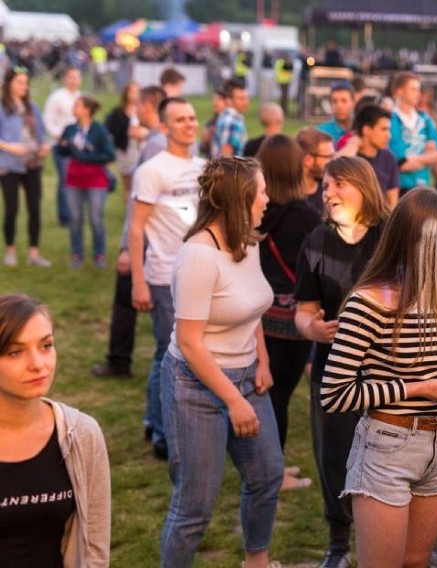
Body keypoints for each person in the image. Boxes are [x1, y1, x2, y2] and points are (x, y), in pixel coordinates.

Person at [322, 187, 437, 568]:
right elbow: (335, 394)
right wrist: (417, 388)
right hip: (387, 446)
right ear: (416, 241)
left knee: (417, 561)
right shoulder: (368, 303)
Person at [159, 157, 283, 568]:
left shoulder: (246, 242)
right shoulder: (198, 256)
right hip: (196, 384)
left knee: (267, 476)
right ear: (239, 199)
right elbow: (192, 344)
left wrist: (262, 360)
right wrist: (233, 400)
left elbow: (251, 308)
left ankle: (256, 561)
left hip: (248, 376)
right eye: (261, 191)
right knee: (195, 506)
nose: (268, 198)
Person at [294, 156, 389, 568]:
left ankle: (416, 536)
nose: (327, 192)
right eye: (325, 186)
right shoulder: (316, 240)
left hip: (390, 366)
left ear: (363, 186)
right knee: (334, 455)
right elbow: (304, 310)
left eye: (337, 184)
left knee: (392, 454)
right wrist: (312, 330)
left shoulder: (391, 236)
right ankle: (338, 541)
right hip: (334, 367)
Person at [0, 294, 111, 567]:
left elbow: (94, 547)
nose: (38, 364)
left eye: (46, 345)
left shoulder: (82, 434)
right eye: (15, 352)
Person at [129, 97, 205, 460]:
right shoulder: (152, 169)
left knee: (189, 353)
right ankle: (161, 430)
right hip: (162, 274)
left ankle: (153, 417)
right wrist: (138, 280)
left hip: (198, 274)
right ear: (164, 127)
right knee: (167, 353)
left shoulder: (203, 167)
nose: (189, 124)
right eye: (180, 119)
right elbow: (136, 226)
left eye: (192, 117)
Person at [90, 85, 167, 380]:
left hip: (147, 237)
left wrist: (126, 247)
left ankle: (119, 361)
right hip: (162, 238)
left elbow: (139, 203)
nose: (136, 111)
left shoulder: (154, 146)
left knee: (126, 298)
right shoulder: (165, 143)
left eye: (140, 105)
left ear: (149, 107)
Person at [256, 134, 320, 492]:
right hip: (293, 318)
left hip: (258, 314)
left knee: (269, 392)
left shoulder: (257, 208)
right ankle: (272, 473)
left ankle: (271, 464)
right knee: (278, 395)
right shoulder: (306, 215)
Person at [56, 95, 116, 269]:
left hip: (96, 180)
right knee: (75, 219)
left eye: (78, 105)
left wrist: (85, 157)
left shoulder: (99, 129)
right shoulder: (70, 128)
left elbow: (109, 154)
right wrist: (63, 146)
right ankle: (77, 254)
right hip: (73, 180)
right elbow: (62, 151)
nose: (74, 108)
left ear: (87, 110)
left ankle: (99, 255)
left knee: (96, 218)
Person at [0, 66, 51, 268]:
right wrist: (8, 146)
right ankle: (10, 249)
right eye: (19, 82)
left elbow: (41, 133)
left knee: (34, 208)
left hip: (33, 163)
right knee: (11, 208)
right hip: (9, 165)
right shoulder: (2, 107)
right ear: (9, 83)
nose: (24, 86)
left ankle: (34, 252)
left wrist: (44, 144)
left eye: (26, 82)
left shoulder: (32, 107)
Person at [388, 72, 437, 196]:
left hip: (424, 186)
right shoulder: (390, 119)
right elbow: (401, 163)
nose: (418, 93)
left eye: (419, 89)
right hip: (399, 187)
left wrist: (413, 158)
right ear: (399, 92)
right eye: (413, 89)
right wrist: (426, 158)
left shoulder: (425, 119)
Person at [338, 103, 401, 208]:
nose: (388, 135)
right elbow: (337, 167)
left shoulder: (389, 158)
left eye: (388, 130)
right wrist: (354, 142)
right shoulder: (351, 155)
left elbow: (393, 201)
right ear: (366, 130)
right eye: (383, 129)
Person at [43, 67, 81, 227]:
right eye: (71, 77)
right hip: (62, 144)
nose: (74, 80)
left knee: (76, 179)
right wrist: (59, 136)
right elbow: (48, 119)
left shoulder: (81, 97)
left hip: (78, 145)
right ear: (65, 78)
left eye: (77, 77)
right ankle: (64, 216)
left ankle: (76, 212)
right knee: (65, 179)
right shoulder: (57, 97)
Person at [105, 81, 146, 202]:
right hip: (125, 151)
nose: (134, 95)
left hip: (141, 149)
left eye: (137, 92)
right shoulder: (118, 113)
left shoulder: (144, 111)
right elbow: (110, 131)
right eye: (132, 92)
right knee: (128, 183)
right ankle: (129, 208)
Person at [295, 127, 335, 214]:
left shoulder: (331, 190)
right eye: (329, 157)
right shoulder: (286, 198)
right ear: (307, 160)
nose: (333, 161)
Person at [212, 79, 250, 158]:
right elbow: (226, 157)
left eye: (246, 98)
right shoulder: (231, 122)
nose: (246, 102)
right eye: (241, 98)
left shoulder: (229, 118)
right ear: (229, 101)